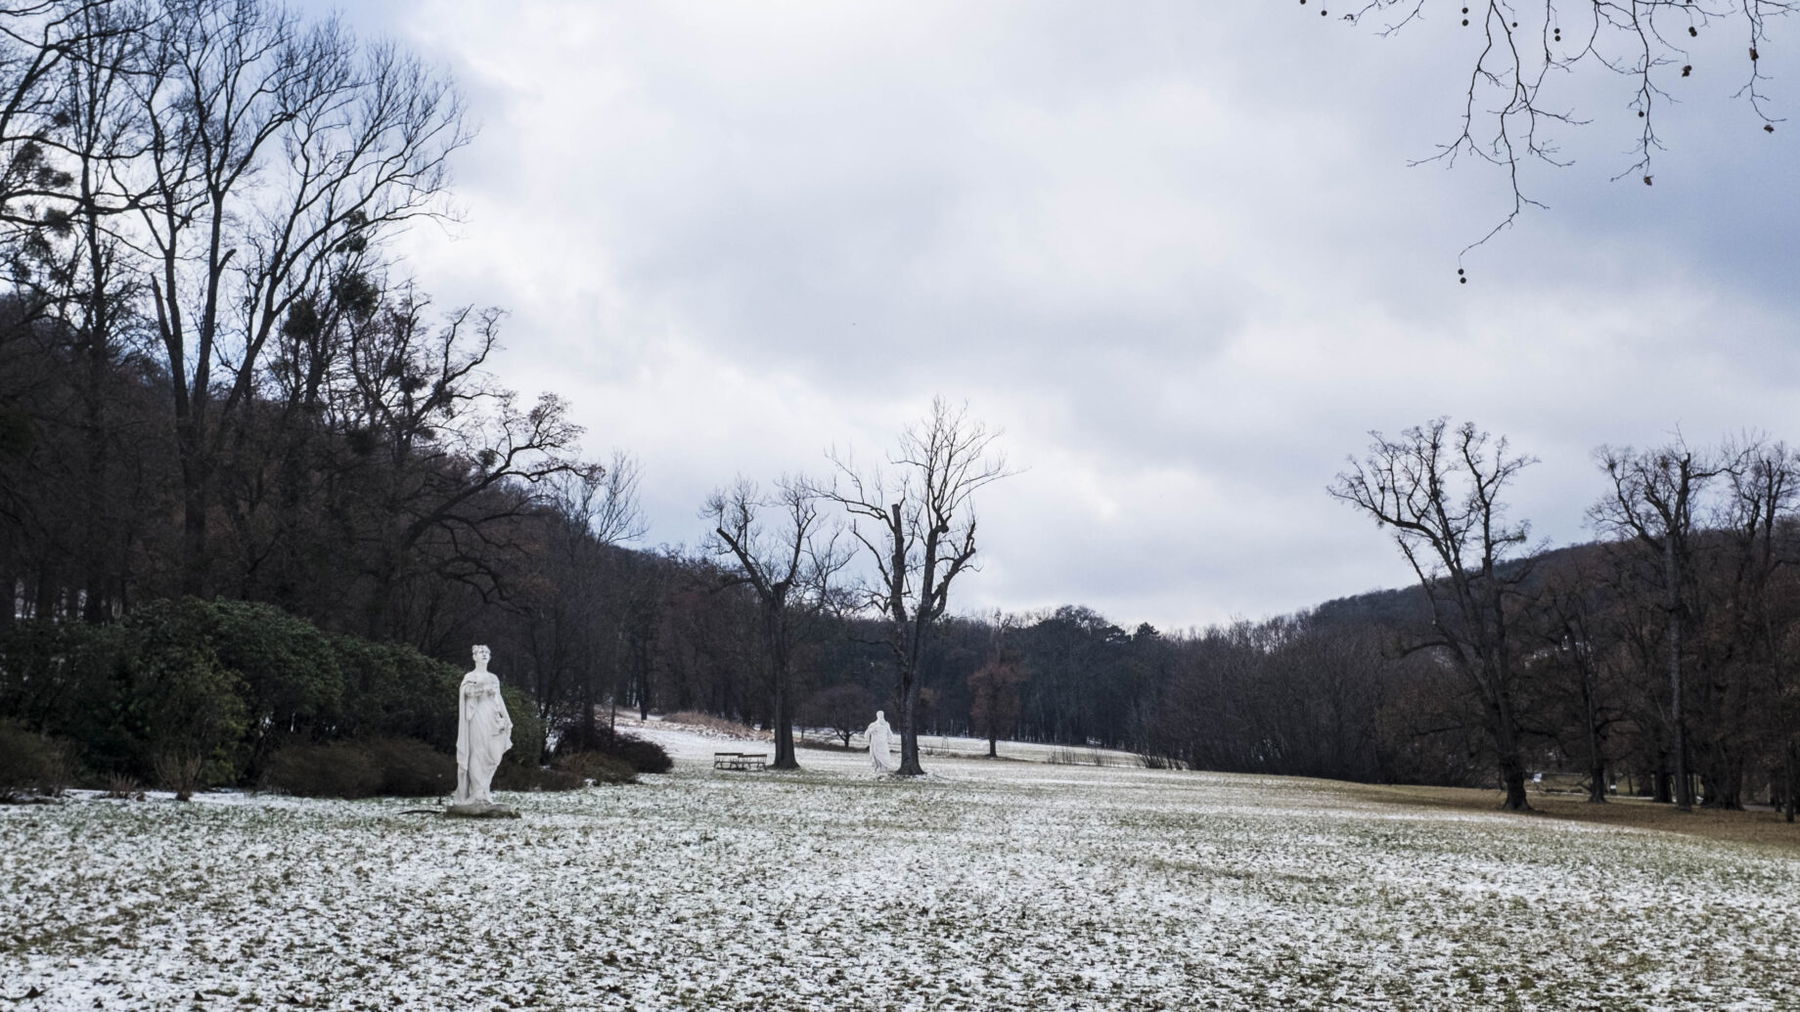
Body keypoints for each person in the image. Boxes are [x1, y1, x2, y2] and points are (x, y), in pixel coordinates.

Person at [454, 644, 513, 806]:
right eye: (481, 652)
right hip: (477, 716)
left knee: (493, 755)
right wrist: (481, 688)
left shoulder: (494, 677)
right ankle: (478, 793)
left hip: (492, 717)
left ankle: (484, 790)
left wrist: (507, 719)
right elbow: (465, 692)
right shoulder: (470, 676)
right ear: (474, 656)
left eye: (487, 652)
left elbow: (499, 699)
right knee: (478, 752)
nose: (484, 654)